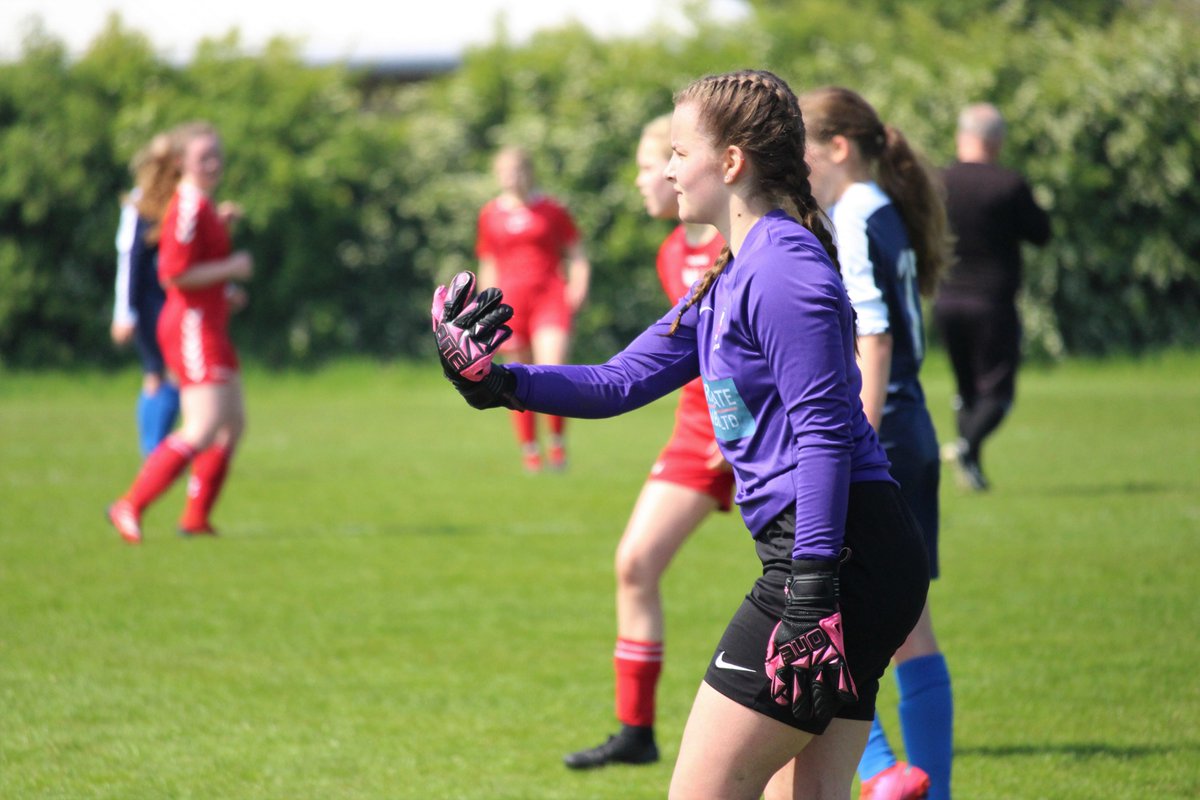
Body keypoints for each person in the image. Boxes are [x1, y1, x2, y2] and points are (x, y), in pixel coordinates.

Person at [433, 69, 930, 800]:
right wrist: (499, 383)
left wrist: (810, 591)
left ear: (730, 162)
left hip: (835, 557)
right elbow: (618, 381)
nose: (667, 169)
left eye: (677, 151)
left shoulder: (782, 270)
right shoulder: (735, 271)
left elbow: (825, 436)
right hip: (844, 557)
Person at [562, 114, 733, 770]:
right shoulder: (670, 254)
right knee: (635, 563)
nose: (645, 178)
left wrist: (745, 430)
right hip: (696, 429)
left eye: (652, 163)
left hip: (753, 432)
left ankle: (865, 746)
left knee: (818, 589)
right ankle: (636, 731)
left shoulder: (744, 241)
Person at [800, 86, 954, 800]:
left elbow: (876, 335)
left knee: (824, 612)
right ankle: (922, 786)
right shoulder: (881, 208)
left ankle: (883, 770)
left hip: (882, 430)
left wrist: (851, 439)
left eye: (800, 143)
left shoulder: (856, 214)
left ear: (837, 148)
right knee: (907, 627)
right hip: (910, 427)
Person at [106, 121, 253, 544]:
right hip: (192, 326)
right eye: (203, 157)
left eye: (217, 156)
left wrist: (221, 242)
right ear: (180, 162)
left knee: (232, 424)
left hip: (210, 323)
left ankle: (195, 519)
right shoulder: (188, 205)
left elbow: (197, 260)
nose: (213, 164)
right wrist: (231, 268)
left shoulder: (201, 204)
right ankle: (129, 504)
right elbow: (173, 273)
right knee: (202, 426)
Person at [933, 103, 1051, 491]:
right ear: (997, 140)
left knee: (966, 388)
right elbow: (1041, 233)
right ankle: (967, 447)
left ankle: (972, 465)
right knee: (998, 391)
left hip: (946, 300)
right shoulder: (1008, 184)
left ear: (961, 136)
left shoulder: (939, 182)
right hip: (991, 302)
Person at [475, 145, 591, 472]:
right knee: (516, 375)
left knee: (552, 370)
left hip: (550, 298)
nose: (511, 177)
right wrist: (486, 305)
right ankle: (530, 451)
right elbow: (488, 261)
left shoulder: (552, 209)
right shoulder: (490, 214)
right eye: (505, 171)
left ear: (529, 171)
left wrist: (578, 286)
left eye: (517, 170)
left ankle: (557, 444)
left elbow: (577, 253)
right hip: (510, 303)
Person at [111, 134, 181, 458]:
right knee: (162, 374)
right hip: (150, 303)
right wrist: (124, 312)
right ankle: (154, 452)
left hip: (173, 301)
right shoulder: (140, 204)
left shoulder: (181, 199)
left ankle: (155, 453)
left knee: (162, 375)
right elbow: (130, 259)